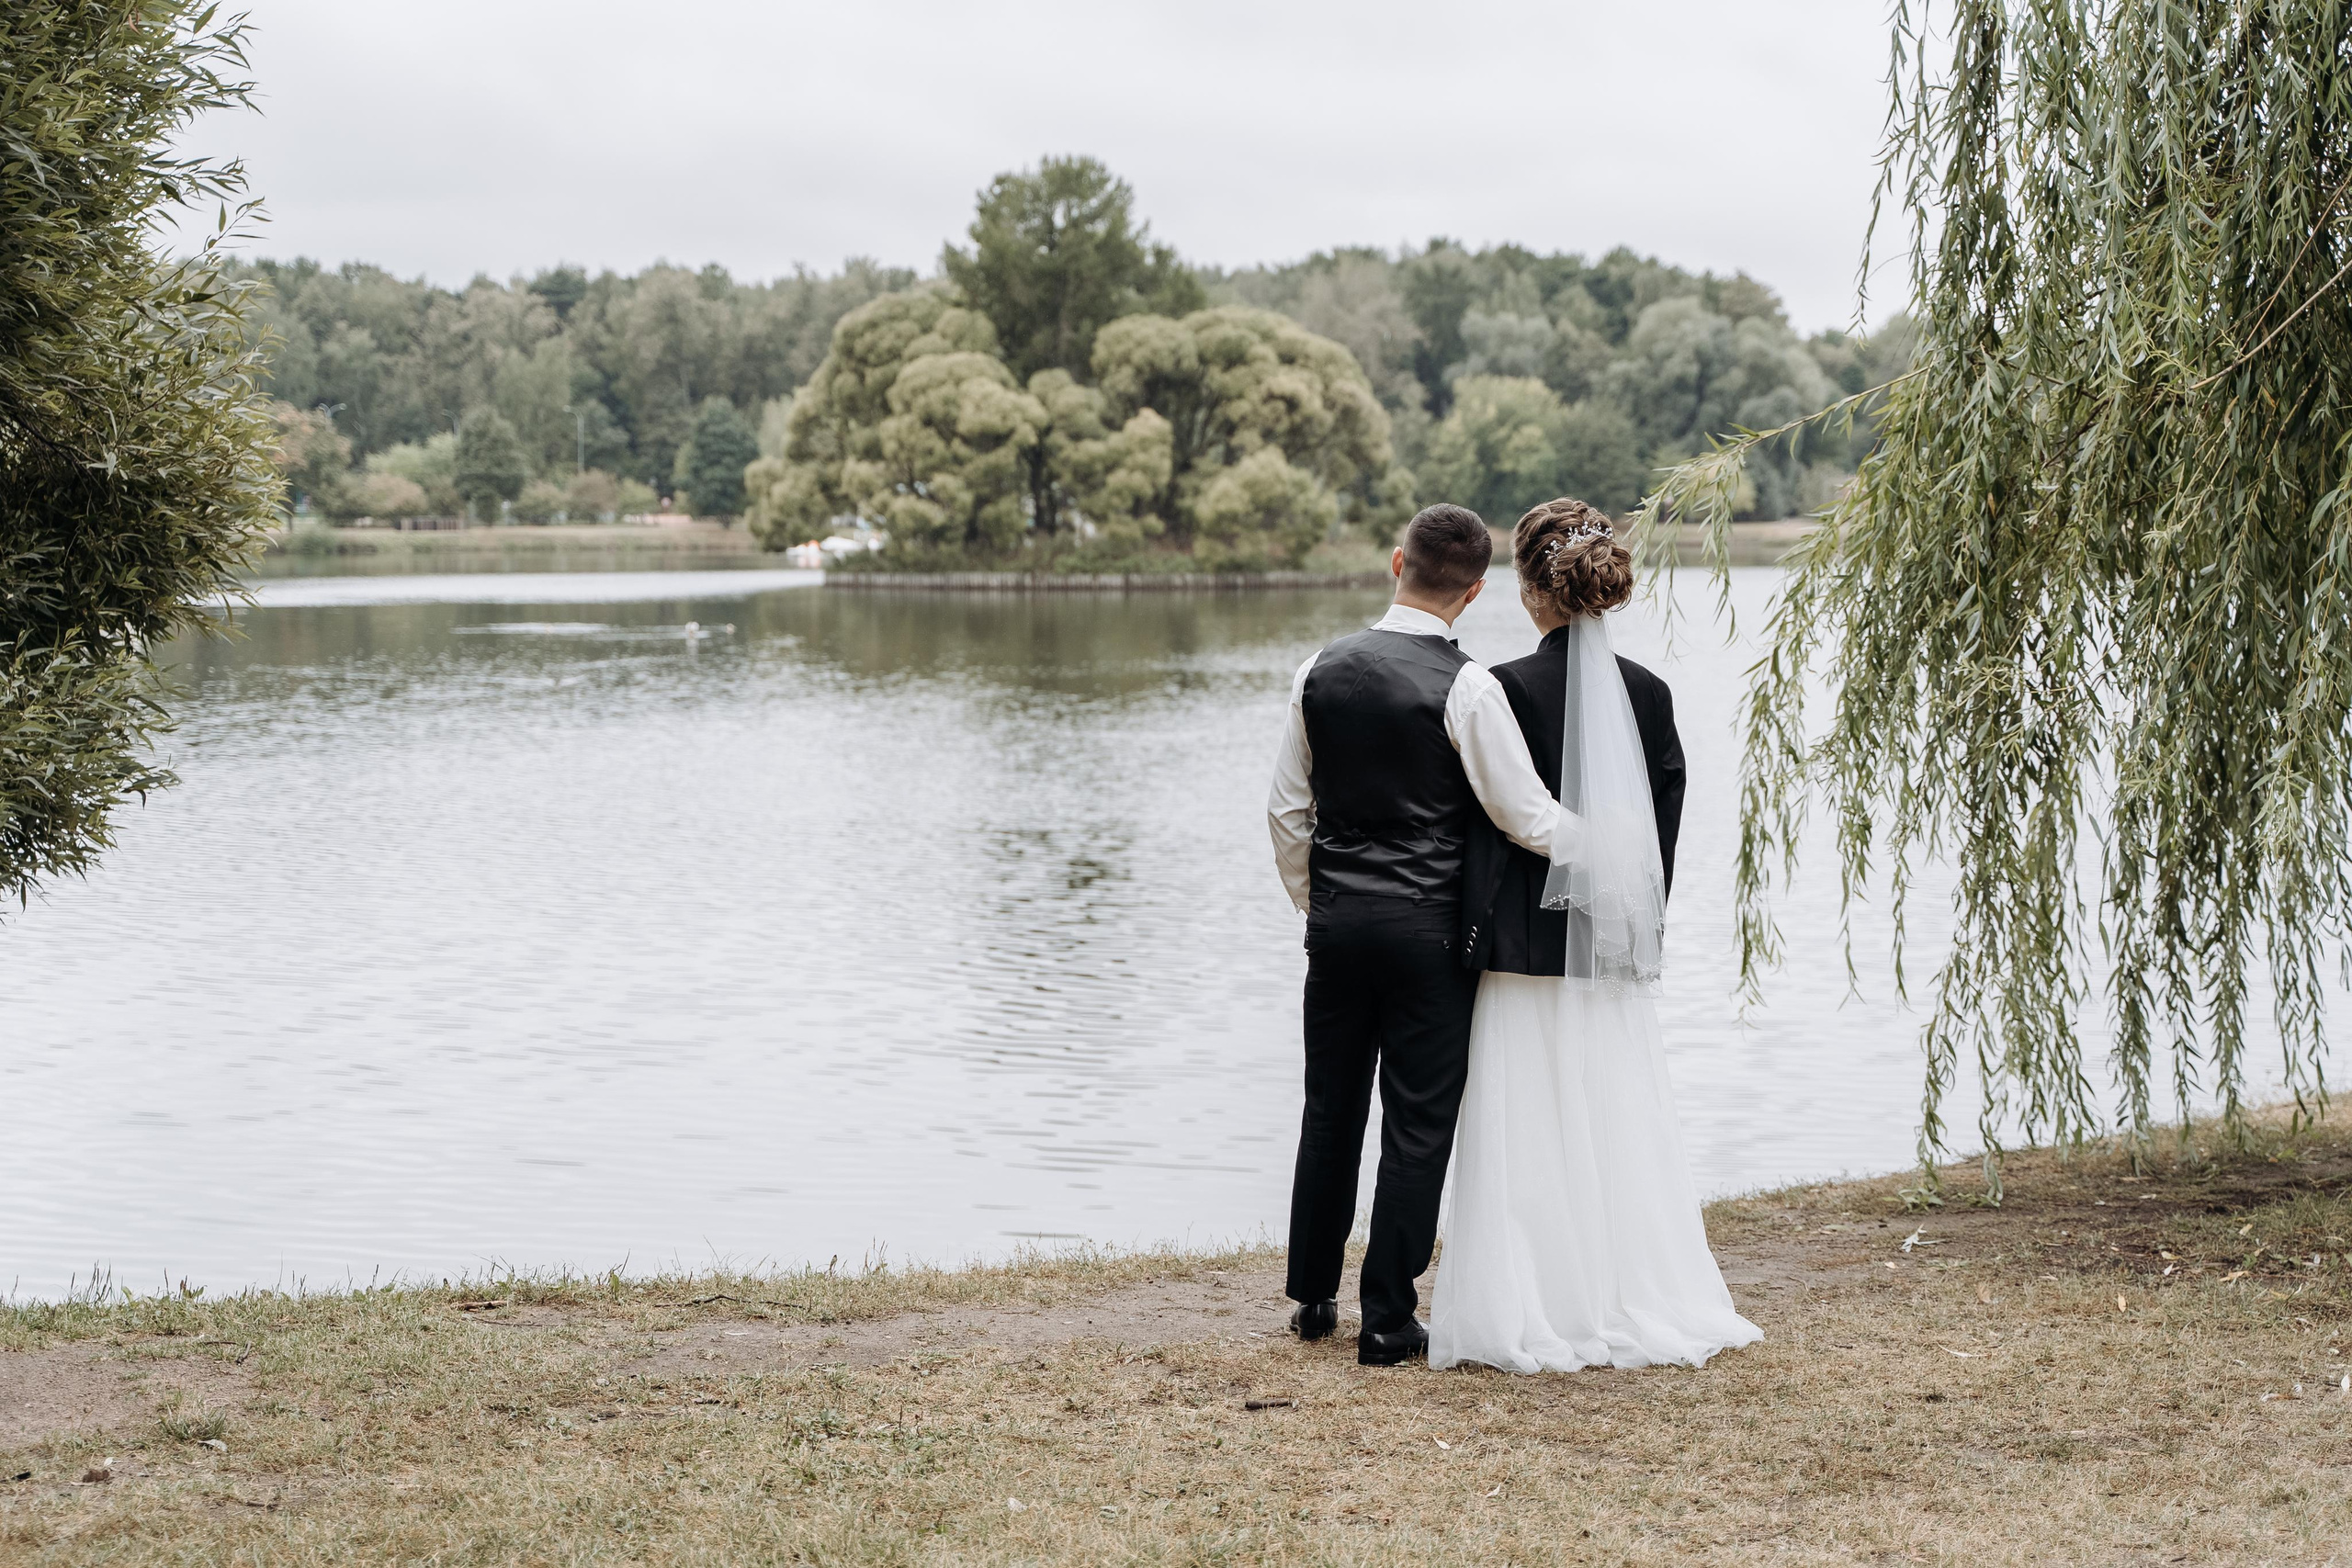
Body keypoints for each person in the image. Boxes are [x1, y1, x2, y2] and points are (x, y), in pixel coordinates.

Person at [1430, 496, 1762, 1372]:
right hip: (1613, 952)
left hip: (1514, 954)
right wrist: (1627, 933)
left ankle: (1537, 1300)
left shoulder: (1496, 687)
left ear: (1531, 591)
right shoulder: (1649, 696)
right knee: (1614, 1122)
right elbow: (1661, 837)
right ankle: (1630, 1288)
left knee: (1523, 1127)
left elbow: (1484, 825)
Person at [1266, 504, 1572, 1365]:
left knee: (1330, 1108)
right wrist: (1610, 843)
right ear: (1474, 592)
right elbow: (1525, 817)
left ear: (1396, 561)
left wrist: (1318, 902)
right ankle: (1389, 1319)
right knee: (1417, 1120)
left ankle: (1314, 1297)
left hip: (1336, 930)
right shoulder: (1469, 688)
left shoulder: (1315, 671)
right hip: (1429, 936)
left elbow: (1288, 812)